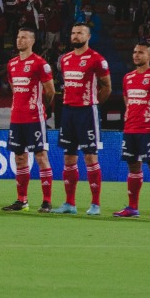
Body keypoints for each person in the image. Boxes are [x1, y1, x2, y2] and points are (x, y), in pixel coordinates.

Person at [53, 23, 112, 215]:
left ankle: (95, 204)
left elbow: (107, 87)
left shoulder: (97, 59)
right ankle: (70, 203)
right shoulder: (65, 59)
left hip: (87, 112)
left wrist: (93, 103)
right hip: (68, 112)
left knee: (90, 156)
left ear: (88, 36)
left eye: (80, 33)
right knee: (69, 157)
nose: (75, 36)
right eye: (73, 33)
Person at [3, 25, 56, 212]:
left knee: (41, 157)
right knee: (19, 158)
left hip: (34, 118)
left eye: (24, 37)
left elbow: (50, 92)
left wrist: (39, 107)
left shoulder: (40, 63)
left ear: (32, 41)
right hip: (16, 118)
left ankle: (47, 201)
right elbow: (13, 87)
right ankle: (22, 200)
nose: (20, 40)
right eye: (18, 37)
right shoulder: (12, 64)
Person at [114, 42, 150, 218]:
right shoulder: (128, 77)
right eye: (135, 52)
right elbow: (126, 98)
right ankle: (132, 207)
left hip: (149, 128)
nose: (136, 55)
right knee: (133, 166)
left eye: (141, 53)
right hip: (130, 128)